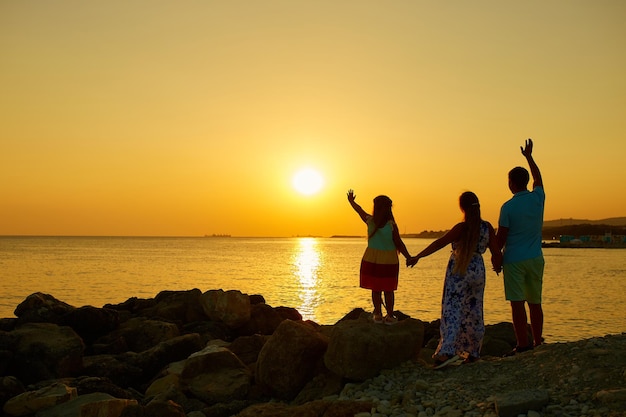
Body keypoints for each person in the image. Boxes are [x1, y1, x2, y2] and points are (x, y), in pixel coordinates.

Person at [407, 191, 501, 367]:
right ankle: (473, 352)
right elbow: (496, 252)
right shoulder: (486, 227)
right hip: (478, 270)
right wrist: (498, 266)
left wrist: (418, 256)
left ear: (462, 207)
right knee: (474, 311)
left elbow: (439, 243)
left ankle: (447, 352)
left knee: (452, 310)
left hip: (460, 270)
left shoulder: (462, 228)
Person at [496, 138, 545, 355]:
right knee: (535, 302)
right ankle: (537, 342)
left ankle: (522, 345)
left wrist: (495, 259)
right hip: (535, 257)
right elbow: (538, 177)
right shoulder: (538, 198)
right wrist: (529, 157)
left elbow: (501, 239)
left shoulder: (507, 207)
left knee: (517, 304)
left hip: (514, 260)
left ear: (511, 183)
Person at [347, 189, 412, 324]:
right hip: (389, 260)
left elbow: (359, 210)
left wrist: (352, 201)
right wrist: (408, 257)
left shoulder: (370, 221)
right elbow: (399, 243)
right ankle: (389, 315)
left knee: (376, 289)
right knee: (388, 290)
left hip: (372, 259)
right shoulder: (391, 225)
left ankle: (377, 314)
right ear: (389, 209)